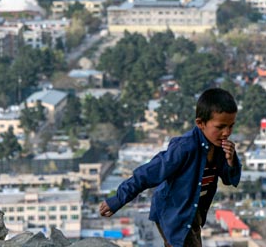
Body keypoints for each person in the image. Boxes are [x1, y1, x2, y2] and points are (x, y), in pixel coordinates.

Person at [99, 87, 241, 247]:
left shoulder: (220, 148)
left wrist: (230, 161)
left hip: (193, 212)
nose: (227, 132)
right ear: (201, 123)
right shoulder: (184, 148)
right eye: (220, 127)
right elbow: (148, 173)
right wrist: (118, 199)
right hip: (173, 212)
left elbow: (229, 179)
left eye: (231, 126)